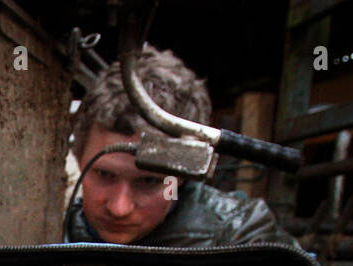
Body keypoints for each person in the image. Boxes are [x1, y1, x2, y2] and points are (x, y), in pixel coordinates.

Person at [65, 45, 297, 248]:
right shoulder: (53, 227)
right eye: (104, 174)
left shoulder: (240, 237)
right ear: (79, 157)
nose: (119, 208)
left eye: (149, 181)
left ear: (185, 174)